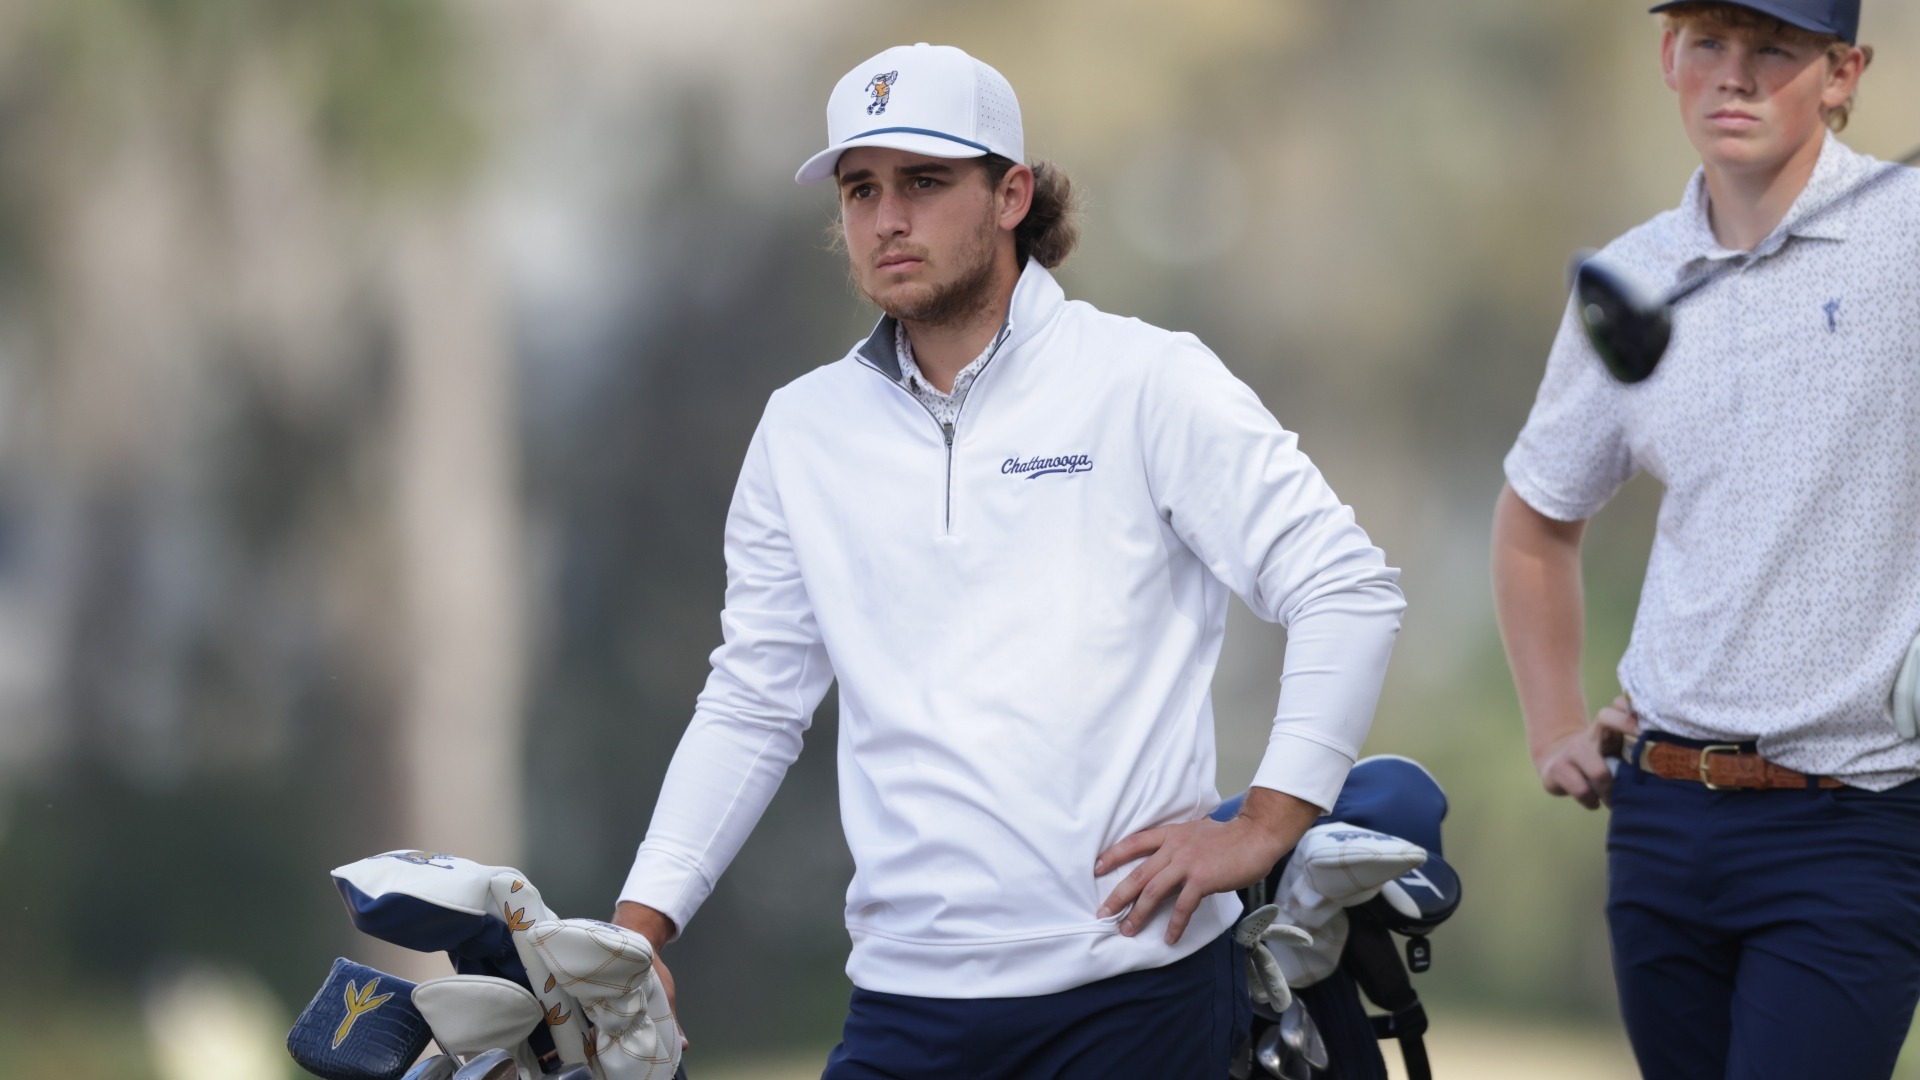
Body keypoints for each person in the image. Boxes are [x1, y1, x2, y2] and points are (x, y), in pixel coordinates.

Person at [609, 42, 1406, 1078]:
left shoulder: (1145, 381)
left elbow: (1347, 586)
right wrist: (641, 927)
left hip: (1135, 998)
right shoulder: (801, 431)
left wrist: (1265, 821)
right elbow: (756, 699)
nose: (887, 218)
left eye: (926, 183)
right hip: (905, 1006)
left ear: (1011, 195)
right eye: (861, 189)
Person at [1491, 2, 1920, 1076]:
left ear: (1841, 73)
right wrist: (1554, 729)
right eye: (1709, 44)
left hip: (1854, 824)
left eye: (1774, 48)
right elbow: (1536, 518)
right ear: (1668, 58)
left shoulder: (1909, 242)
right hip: (1660, 820)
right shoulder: (1631, 281)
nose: (1735, 76)